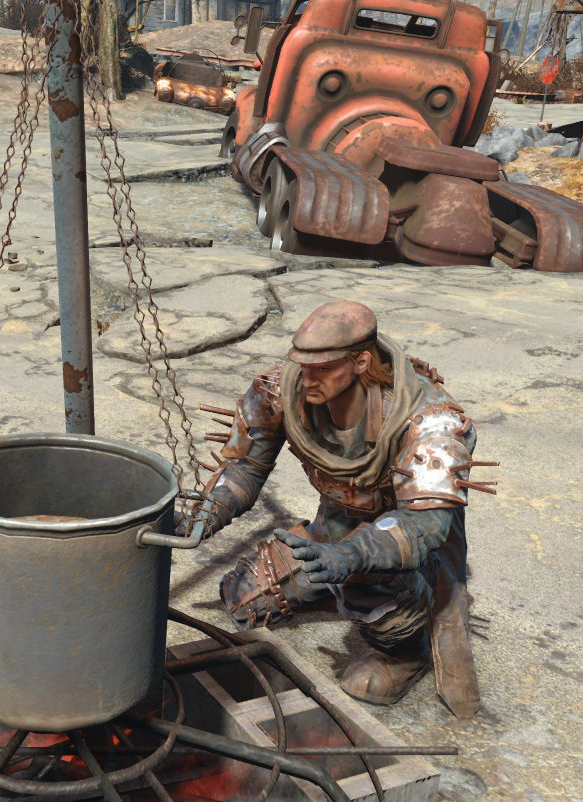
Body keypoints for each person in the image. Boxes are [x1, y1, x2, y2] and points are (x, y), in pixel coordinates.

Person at [196, 300, 494, 717]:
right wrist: (205, 515)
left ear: (361, 362)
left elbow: (425, 523)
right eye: (303, 366)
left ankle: (406, 654)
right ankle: (336, 584)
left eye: (323, 368)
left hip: (399, 542)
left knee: (362, 585)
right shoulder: (279, 392)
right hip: (332, 527)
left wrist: (348, 557)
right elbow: (245, 467)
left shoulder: (429, 421)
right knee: (242, 601)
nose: (308, 380)